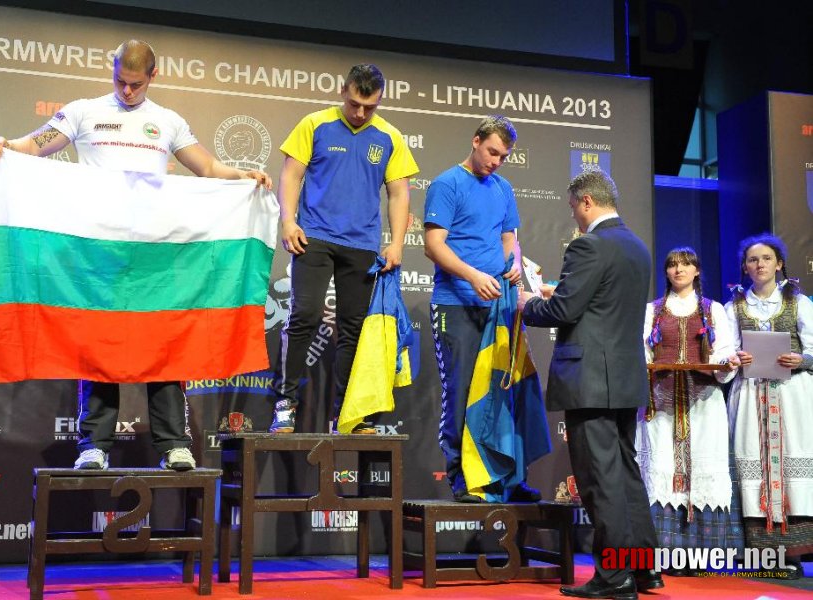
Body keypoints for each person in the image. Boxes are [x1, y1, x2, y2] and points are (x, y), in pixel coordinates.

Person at [0, 39, 271, 471]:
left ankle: (174, 444)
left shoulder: (168, 121)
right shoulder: (84, 111)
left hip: (154, 256)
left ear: (153, 76)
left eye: (136, 84)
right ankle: (94, 445)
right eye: (121, 81)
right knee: (96, 346)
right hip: (97, 254)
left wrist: (242, 175)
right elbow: (33, 145)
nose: (128, 91)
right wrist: (3, 145)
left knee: (166, 341)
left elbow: (208, 169)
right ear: (112, 70)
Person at [517, 170, 662, 599]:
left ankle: (614, 578)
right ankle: (641, 570)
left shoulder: (588, 244)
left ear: (585, 202)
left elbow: (563, 311)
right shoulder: (636, 246)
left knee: (600, 479)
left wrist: (530, 303)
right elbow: (601, 303)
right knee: (625, 474)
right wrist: (560, 291)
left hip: (590, 381)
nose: (574, 220)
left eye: (572, 210)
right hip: (623, 377)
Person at [268, 64, 418, 434]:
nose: (361, 113)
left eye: (370, 106)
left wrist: (396, 242)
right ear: (342, 91)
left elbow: (399, 192)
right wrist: (288, 221)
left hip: (362, 244)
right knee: (303, 316)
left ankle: (346, 414)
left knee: (353, 329)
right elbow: (291, 174)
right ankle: (285, 404)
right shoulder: (315, 124)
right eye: (354, 104)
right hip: (314, 236)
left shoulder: (389, 136)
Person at [423, 115, 544, 503]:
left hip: (499, 308)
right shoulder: (446, 184)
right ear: (476, 141)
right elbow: (433, 245)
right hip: (456, 304)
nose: (496, 161)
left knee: (502, 393)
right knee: (459, 394)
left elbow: (510, 238)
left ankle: (507, 476)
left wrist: (513, 262)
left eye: (503, 156)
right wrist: (474, 276)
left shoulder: (503, 187)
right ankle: (462, 479)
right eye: (492, 152)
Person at [636, 247, 744, 573]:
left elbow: (724, 352)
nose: (678, 270)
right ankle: (665, 555)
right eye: (672, 265)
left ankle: (704, 555)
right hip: (662, 401)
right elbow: (642, 350)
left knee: (703, 465)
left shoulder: (714, 311)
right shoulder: (652, 311)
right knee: (663, 464)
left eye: (685, 264)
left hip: (704, 401)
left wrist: (726, 364)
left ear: (697, 270)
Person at [725, 233, 813, 577]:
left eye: (765, 258)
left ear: (779, 264)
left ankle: (792, 551)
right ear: (744, 267)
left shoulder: (799, 303)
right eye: (752, 260)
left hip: (792, 394)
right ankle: (761, 553)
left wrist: (801, 358)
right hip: (750, 395)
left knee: (791, 465)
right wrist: (737, 357)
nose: (758, 264)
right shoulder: (735, 306)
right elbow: (726, 350)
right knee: (753, 463)